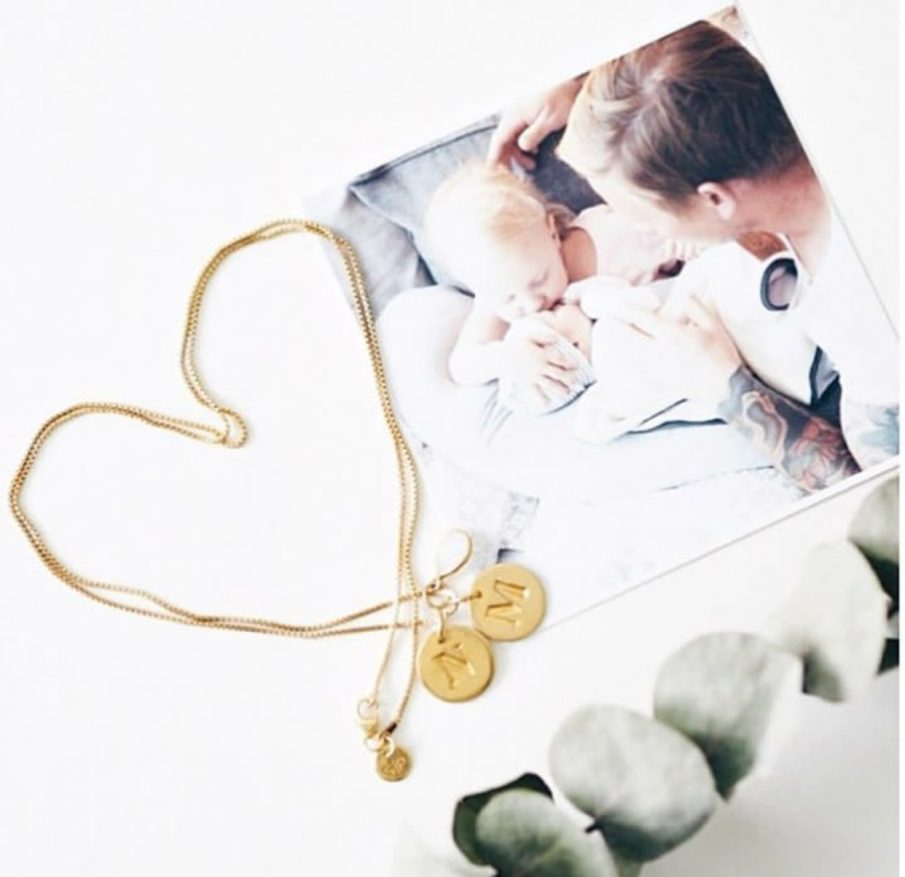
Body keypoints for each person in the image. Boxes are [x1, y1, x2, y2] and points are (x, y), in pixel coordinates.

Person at [487, 20, 899, 492]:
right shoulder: (819, 63)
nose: (634, 226)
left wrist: (725, 384)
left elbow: (878, 493)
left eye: (638, 214)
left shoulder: (869, 324)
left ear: (716, 199)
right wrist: (582, 90)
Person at [422, 159, 692, 413]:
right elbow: (462, 366)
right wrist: (508, 357)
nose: (532, 304)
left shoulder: (611, 236)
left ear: (551, 233)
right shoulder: (492, 297)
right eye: (508, 299)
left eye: (539, 279)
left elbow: (680, 231)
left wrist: (686, 245)